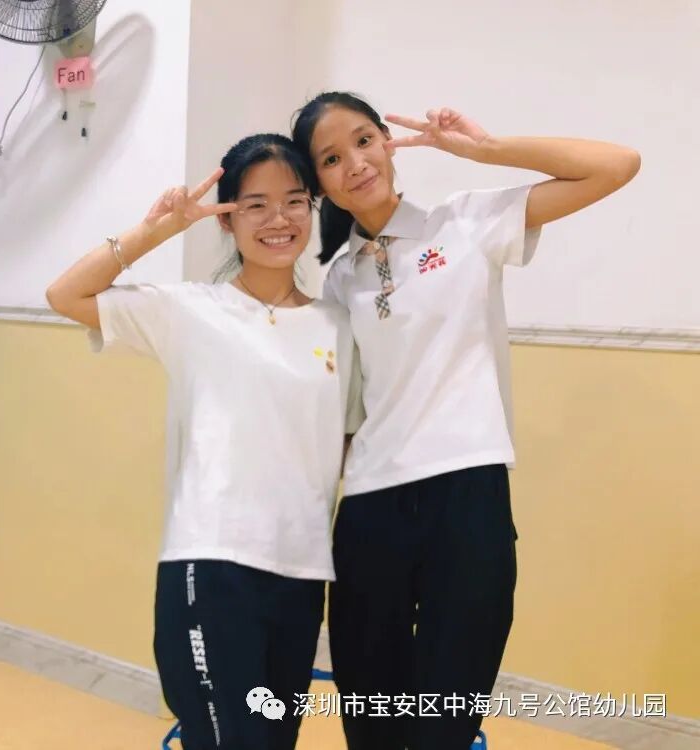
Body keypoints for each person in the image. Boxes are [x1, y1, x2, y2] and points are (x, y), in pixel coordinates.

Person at [291, 92, 640, 750]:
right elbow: (344, 416)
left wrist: (487, 150)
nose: (355, 164)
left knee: (445, 721)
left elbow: (617, 165)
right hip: (369, 508)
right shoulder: (339, 282)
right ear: (318, 184)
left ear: (388, 142)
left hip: (467, 495)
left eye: (364, 141)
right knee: (372, 722)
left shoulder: (469, 223)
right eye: (331, 159)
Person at [46, 133, 363, 750]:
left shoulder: (338, 326)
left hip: (302, 572)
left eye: (294, 201)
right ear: (226, 218)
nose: (278, 219)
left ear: (312, 208)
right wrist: (159, 229)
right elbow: (66, 295)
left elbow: (345, 446)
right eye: (255, 205)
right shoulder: (190, 310)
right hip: (213, 563)